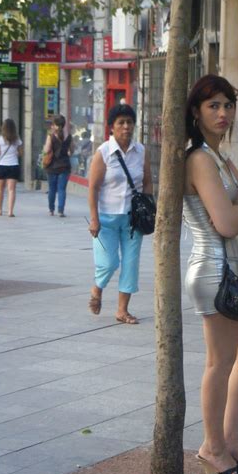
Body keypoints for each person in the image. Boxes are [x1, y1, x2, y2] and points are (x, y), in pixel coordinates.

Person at [183, 75, 238, 474]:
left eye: (228, 105)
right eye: (213, 105)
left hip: (234, 271)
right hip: (214, 270)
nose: (223, 113)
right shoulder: (199, 158)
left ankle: (230, 439)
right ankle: (211, 446)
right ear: (196, 111)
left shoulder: (222, 157)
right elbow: (228, 223)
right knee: (221, 362)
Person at [87, 103, 153, 324]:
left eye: (130, 122)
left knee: (131, 264)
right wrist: (94, 218)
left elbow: (147, 182)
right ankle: (97, 288)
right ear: (112, 128)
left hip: (133, 219)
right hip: (106, 218)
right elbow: (93, 187)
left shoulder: (141, 151)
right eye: (121, 123)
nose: (126, 127)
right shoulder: (103, 152)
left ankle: (122, 310)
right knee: (108, 263)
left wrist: (150, 208)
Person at [43, 115, 74, 217]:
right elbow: (72, 151)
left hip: (52, 166)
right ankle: (61, 210)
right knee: (62, 189)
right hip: (64, 166)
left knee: (52, 189)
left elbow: (46, 150)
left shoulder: (51, 136)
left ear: (55, 125)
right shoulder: (68, 136)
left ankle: (51, 209)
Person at [0, 118, 23, 217]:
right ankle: (10, 211)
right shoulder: (17, 140)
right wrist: (14, 153)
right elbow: (21, 153)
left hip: (1, 166)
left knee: (0, 189)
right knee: (11, 190)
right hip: (13, 166)